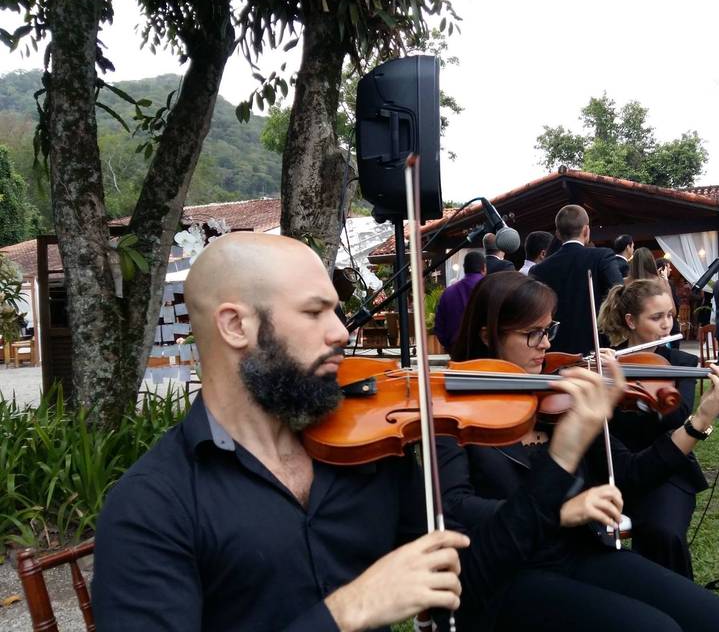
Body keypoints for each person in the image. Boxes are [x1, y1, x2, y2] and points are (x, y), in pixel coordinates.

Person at [92, 232, 622, 631]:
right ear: (235, 326)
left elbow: (475, 572)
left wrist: (564, 453)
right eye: (314, 312)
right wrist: (344, 611)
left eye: (337, 312)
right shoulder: (152, 506)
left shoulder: (362, 456)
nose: (342, 332)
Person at [440, 271, 719, 631]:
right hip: (505, 570)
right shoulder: (451, 411)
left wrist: (700, 418)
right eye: (531, 334)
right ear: (488, 336)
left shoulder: (561, 400)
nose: (545, 345)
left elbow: (630, 474)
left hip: (575, 551)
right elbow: (455, 508)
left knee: (714, 618)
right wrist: (560, 510)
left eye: (548, 330)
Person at [598, 278, 718, 577]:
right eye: (656, 317)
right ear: (630, 321)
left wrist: (648, 397)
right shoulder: (606, 362)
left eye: (669, 316)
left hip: (666, 470)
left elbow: (680, 419)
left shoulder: (681, 363)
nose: (667, 325)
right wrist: (607, 378)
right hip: (614, 466)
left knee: (665, 532)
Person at [529, 205, 623, 354]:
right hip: (597, 349)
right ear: (586, 230)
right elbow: (619, 293)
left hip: (555, 352)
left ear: (558, 234)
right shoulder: (602, 256)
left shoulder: (538, 270)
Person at [434, 250, 486, 353]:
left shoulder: (448, 292)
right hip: (486, 351)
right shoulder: (490, 288)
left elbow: (439, 325)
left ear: (464, 268)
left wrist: (448, 346)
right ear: (484, 268)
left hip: (456, 350)